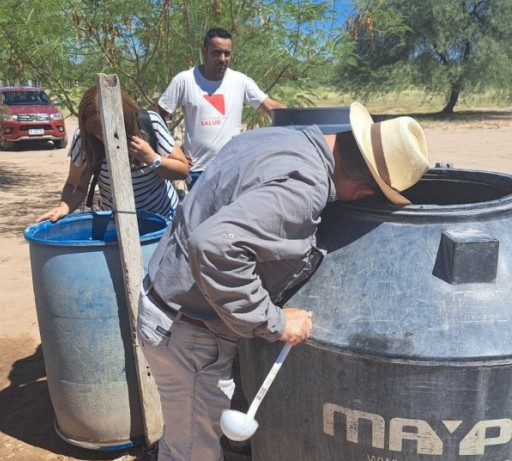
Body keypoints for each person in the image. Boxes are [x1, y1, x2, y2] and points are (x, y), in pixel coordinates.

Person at [137, 102, 430, 460]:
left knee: (185, 437)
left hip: (167, 303)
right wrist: (274, 320)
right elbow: (214, 246)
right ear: (366, 192)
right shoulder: (303, 190)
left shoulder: (280, 137)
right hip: (188, 334)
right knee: (192, 453)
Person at [36, 85, 189, 223]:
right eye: (98, 134)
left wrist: (152, 158)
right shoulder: (85, 140)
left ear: (126, 119)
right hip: (115, 221)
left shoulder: (149, 123)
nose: (105, 138)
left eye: (113, 132)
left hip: (162, 218)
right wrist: (64, 207)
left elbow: (183, 170)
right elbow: (75, 186)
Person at [156, 27, 287, 183]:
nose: (223, 58)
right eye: (216, 53)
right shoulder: (185, 80)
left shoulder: (240, 81)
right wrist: (173, 151)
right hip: (199, 171)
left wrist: (300, 119)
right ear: (204, 52)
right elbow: (157, 117)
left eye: (227, 53)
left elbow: (271, 107)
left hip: (233, 168)